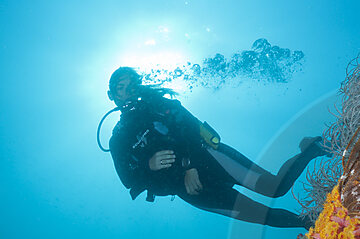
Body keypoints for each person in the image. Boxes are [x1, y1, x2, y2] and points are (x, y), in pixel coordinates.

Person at [106, 67, 325, 228]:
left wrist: (189, 166)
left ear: (139, 86)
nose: (127, 92)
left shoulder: (159, 105)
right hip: (191, 190)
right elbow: (129, 180)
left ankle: (311, 148)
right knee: (262, 216)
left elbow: (190, 126)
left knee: (274, 188)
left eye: (131, 86)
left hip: (209, 158)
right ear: (112, 96)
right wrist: (148, 164)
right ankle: (309, 222)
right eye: (120, 89)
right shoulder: (118, 139)